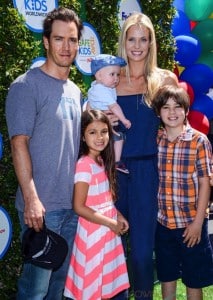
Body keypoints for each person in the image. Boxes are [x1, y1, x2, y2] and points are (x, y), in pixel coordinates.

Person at [5, 7, 83, 300]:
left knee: (58, 288)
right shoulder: (26, 86)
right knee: (34, 291)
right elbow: (18, 144)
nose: (67, 47)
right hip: (42, 209)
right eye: (60, 39)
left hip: (71, 207)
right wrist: (32, 199)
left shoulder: (75, 91)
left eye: (72, 40)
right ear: (46, 42)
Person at [110, 12, 179, 300]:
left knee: (140, 253)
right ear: (123, 42)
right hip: (112, 174)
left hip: (149, 176)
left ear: (151, 43)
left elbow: (177, 127)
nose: (137, 45)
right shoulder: (110, 79)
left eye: (143, 39)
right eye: (131, 39)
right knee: (108, 250)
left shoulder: (165, 80)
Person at [152, 85, 213, 300]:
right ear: (158, 112)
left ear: (186, 110)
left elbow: (206, 182)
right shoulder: (156, 141)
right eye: (166, 107)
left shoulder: (199, 141)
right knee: (167, 275)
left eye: (177, 107)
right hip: (163, 224)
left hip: (191, 224)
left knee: (193, 279)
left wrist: (198, 222)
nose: (172, 112)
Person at [64, 109, 130, 299]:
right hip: (93, 235)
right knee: (92, 285)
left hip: (108, 233)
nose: (100, 137)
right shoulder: (84, 165)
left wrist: (117, 215)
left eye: (104, 131)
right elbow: (79, 206)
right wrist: (110, 223)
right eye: (92, 132)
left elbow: (104, 199)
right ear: (83, 136)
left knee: (109, 285)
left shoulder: (101, 161)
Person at [88, 54, 131, 174]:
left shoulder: (98, 87)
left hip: (101, 123)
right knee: (119, 138)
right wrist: (124, 120)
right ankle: (116, 162)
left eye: (118, 74)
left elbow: (89, 106)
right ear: (99, 76)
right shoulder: (101, 90)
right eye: (112, 74)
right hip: (105, 124)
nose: (116, 78)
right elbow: (114, 106)